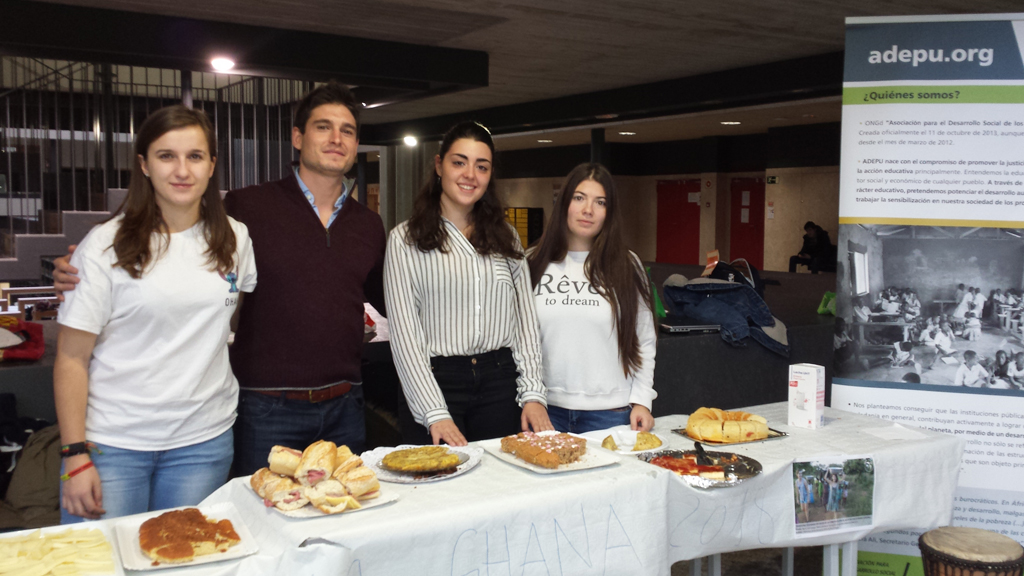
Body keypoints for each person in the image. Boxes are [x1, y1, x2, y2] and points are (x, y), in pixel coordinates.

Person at [52, 82, 387, 476]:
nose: (336, 139)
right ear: (298, 137)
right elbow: (179, 239)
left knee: (340, 520)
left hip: (345, 403)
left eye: (346, 130)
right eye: (323, 127)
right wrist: (88, 262)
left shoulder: (368, 224)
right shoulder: (247, 207)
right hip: (264, 406)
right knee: (258, 525)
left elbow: (381, 296)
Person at [54, 105, 257, 522]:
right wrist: (75, 455)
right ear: (144, 165)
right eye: (167, 156)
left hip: (204, 441)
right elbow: (72, 358)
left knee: (188, 564)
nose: (182, 170)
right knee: (98, 564)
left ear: (212, 164)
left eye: (195, 156)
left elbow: (226, 321)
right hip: (113, 445)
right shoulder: (105, 245)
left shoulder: (235, 238)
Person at [384, 121, 552, 447]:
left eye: (481, 166)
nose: (469, 175)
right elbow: (405, 337)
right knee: (439, 490)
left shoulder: (507, 237)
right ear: (439, 166)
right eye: (459, 162)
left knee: (497, 487)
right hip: (436, 381)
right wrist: (435, 411)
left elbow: (525, 323)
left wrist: (532, 392)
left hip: (499, 381)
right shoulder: (405, 240)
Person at [527, 163, 656, 434]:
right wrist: (529, 398)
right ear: (564, 203)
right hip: (545, 410)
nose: (588, 210)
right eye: (579, 198)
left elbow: (644, 338)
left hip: (611, 413)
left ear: (609, 213)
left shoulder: (626, 264)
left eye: (600, 202)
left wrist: (642, 400)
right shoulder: (532, 262)